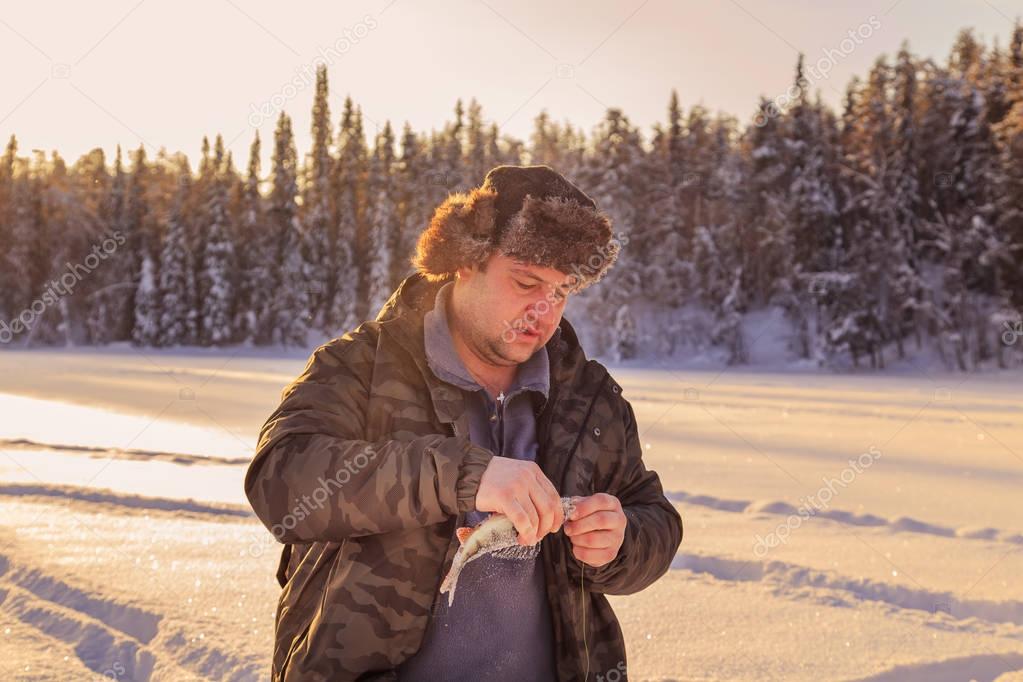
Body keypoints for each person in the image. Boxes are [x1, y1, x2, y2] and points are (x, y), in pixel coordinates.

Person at [244, 164, 683, 681]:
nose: (544, 309)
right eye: (526, 282)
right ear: (465, 261)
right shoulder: (361, 365)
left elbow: (654, 514)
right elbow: (282, 483)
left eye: (562, 291)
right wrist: (462, 476)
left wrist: (621, 539)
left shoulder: (589, 397)